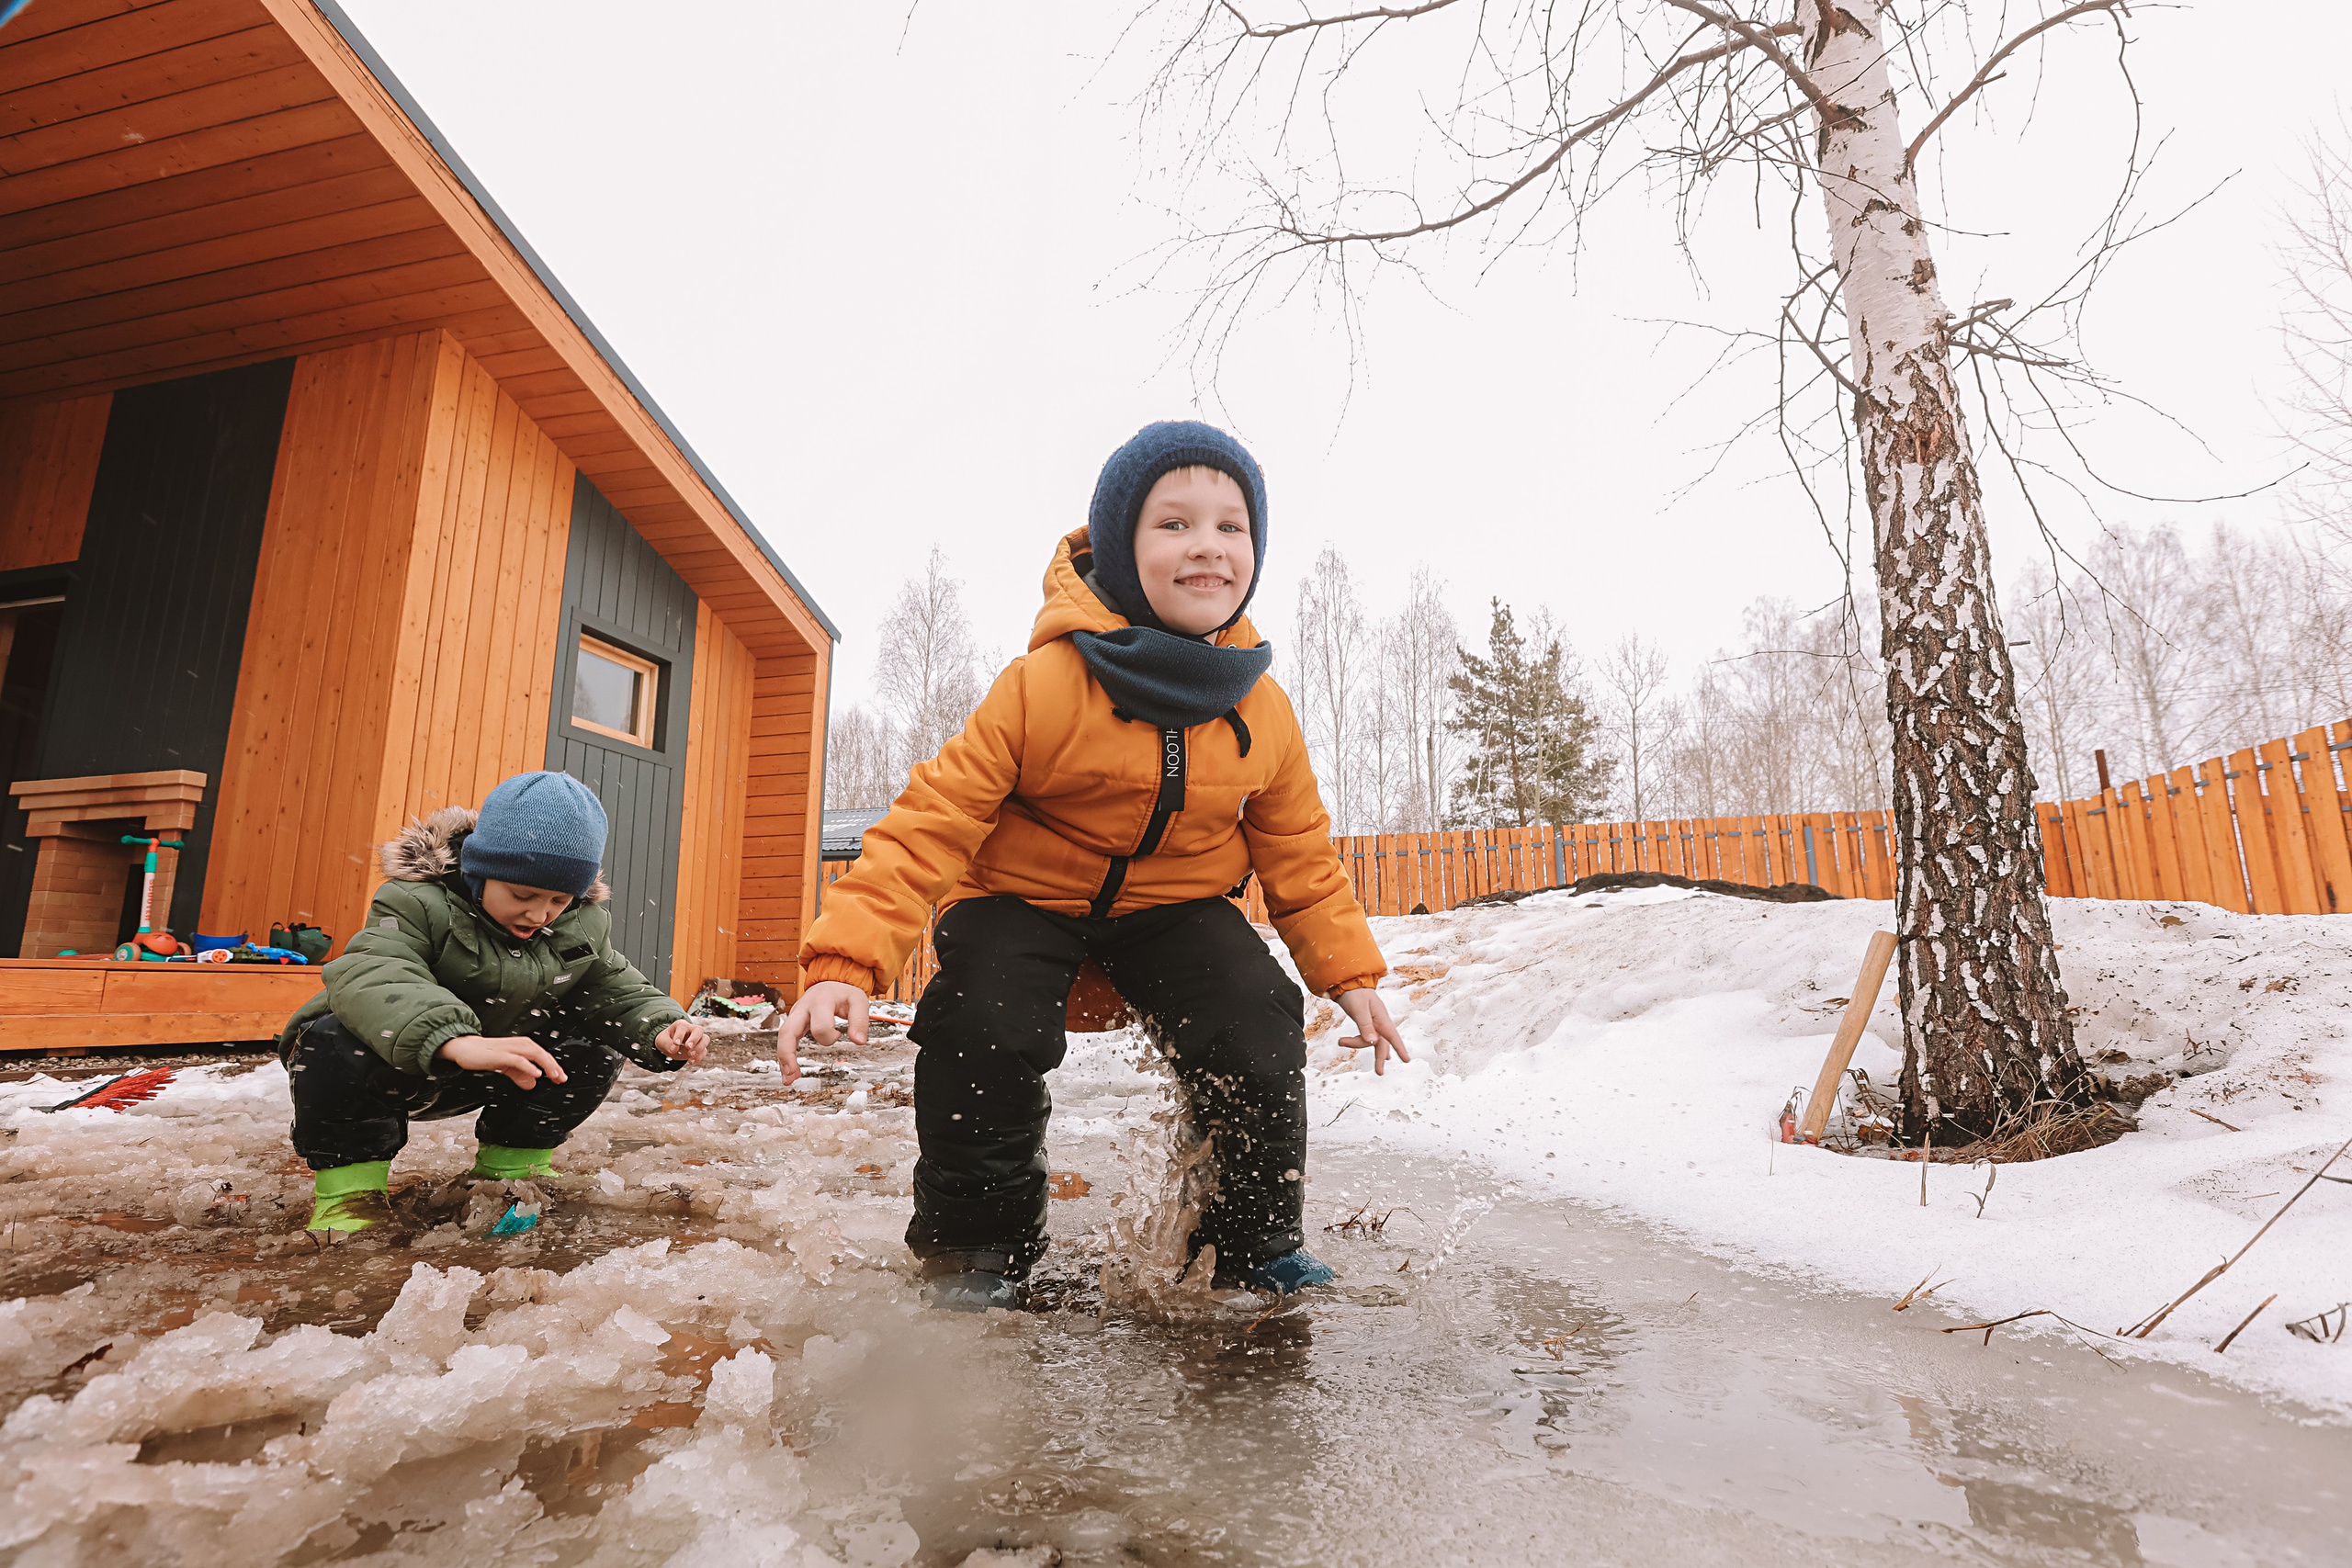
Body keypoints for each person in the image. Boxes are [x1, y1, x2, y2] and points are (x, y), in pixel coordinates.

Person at [781, 420, 1408, 1311]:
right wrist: (843, 959)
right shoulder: (1042, 684)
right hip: (1021, 900)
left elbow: (1301, 855)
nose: (1208, 546)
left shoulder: (1262, 711)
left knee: (1258, 1013)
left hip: (1171, 909)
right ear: (1121, 546)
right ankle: (978, 1251)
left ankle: (1252, 1243)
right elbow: (933, 818)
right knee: (977, 1025)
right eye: (1174, 524)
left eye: (1232, 527)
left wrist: (1349, 973)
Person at [277, 770, 709, 1236]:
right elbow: (377, 971)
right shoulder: (416, 901)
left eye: (558, 899)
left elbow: (613, 987)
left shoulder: (581, 924)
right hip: (396, 1065)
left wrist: (660, 1026)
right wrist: (454, 1039)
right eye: (521, 894)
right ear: (479, 871)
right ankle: (350, 1192)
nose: (539, 913)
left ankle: (511, 1165)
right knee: (337, 1038)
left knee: (591, 1035)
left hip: (501, 1071)